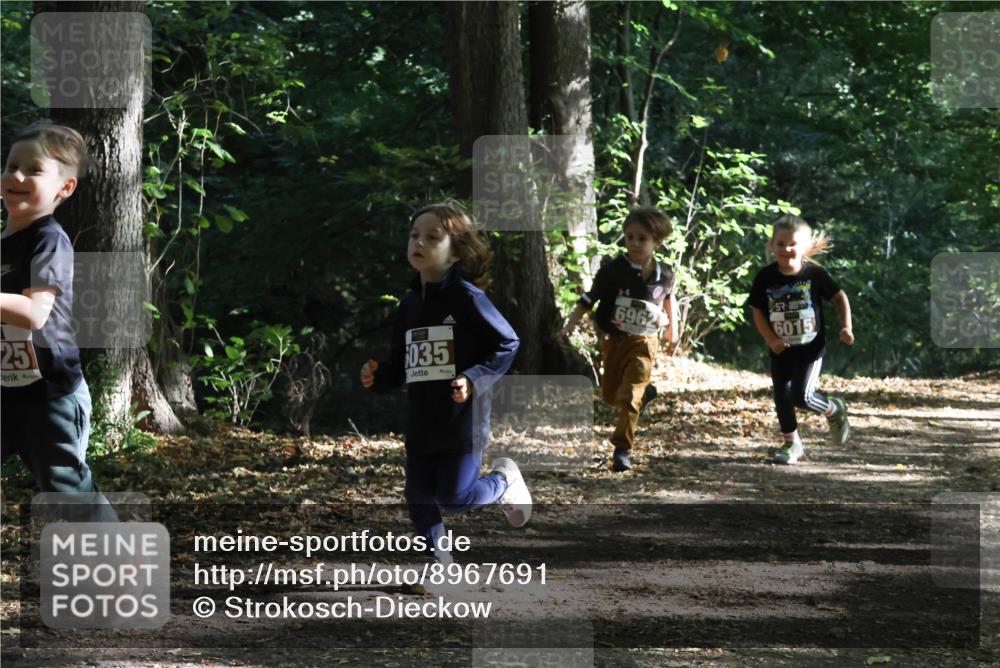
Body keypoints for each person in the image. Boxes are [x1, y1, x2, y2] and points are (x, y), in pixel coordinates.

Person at [361, 201, 530, 564]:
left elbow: (507, 342)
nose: (418, 242)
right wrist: (379, 377)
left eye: (432, 237)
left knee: (454, 498)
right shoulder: (409, 304)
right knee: (419, 494)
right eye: (414, 235)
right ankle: (442, 565)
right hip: (422, 419)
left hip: (461, 420)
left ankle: (503, 481)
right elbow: (404, 363)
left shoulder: (469, 298)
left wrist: (472, 377)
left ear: (456, 253)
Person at [1, 122, 116, 521]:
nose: (16, 176)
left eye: (33, 170)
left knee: (68, 494)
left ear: (64, 188)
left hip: (50, 396)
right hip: (6, 392)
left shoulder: (48, 239)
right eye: (12, 165)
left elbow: (35, 313)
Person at [559, 207, 678, 472]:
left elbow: (669, 300)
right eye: (630, 237)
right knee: (611, 395)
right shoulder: (613, 270)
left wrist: (672, 329)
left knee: (629, 395)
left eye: (642, 238)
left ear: (657, 241)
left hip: (644, 341)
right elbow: (589, 299)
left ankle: (622, 449)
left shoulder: (665, 274)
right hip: (615, 340)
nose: (634, 243)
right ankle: (644, 394)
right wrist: (569, 325)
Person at [747, 214, 853, 465]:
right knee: (781, 396)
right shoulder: (765, 277)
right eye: (781, 243)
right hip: (780, 348)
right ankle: (791, 443)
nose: (786, 249)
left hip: (810, 348)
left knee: (801, 396)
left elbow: (839, 297)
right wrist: (771, 340)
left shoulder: (814, 275)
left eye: (793, 244)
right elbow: (758, 311)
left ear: (804, 247)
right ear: (772, 246)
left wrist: (846, 326)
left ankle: (834, 409)